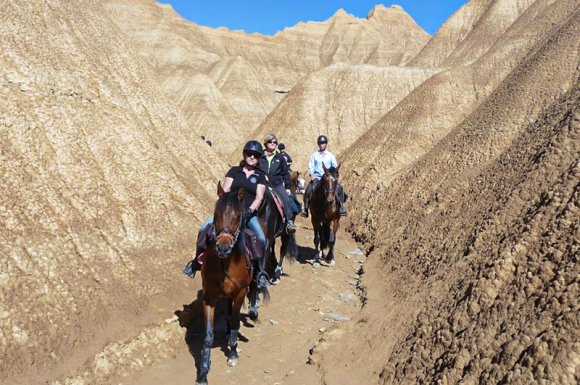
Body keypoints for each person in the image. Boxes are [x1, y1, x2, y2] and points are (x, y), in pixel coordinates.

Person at [184, 140, 268, 278]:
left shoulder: (260, 176)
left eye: (256, 155)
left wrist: (249, 211)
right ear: (244, 154)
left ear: (259, 158)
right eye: (249, 154)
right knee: (203, 228)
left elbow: (259, 197)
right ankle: (196, 263)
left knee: (261, 238)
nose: (252, 157)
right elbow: (226, 189)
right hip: (229, 213)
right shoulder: (234, 171)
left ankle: (260, 272)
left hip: (248, 213)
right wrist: (224, 208)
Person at [301, 135, 348, 217]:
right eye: (320, 143)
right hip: (317, 178)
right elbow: (311, 166)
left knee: (340, 188)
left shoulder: (330, 155)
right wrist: (312, 175)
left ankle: (341, 207)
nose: (321, 145)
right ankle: (305, 209)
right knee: (308, 190)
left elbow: (335, 166)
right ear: (318, 144)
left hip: (328, 179)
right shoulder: (314, 155)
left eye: (323, 143)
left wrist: (333, 174)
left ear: (326, 144)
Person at [260, 134, 296, 234]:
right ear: (265, 143)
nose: (272, 144)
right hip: (262, 185)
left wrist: (288, 187)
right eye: (270, 142)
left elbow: (285, 173)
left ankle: (289, 222)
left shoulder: (280, 158)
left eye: (275, 142)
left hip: (276, 184)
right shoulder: (260, 156)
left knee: (286, 199)